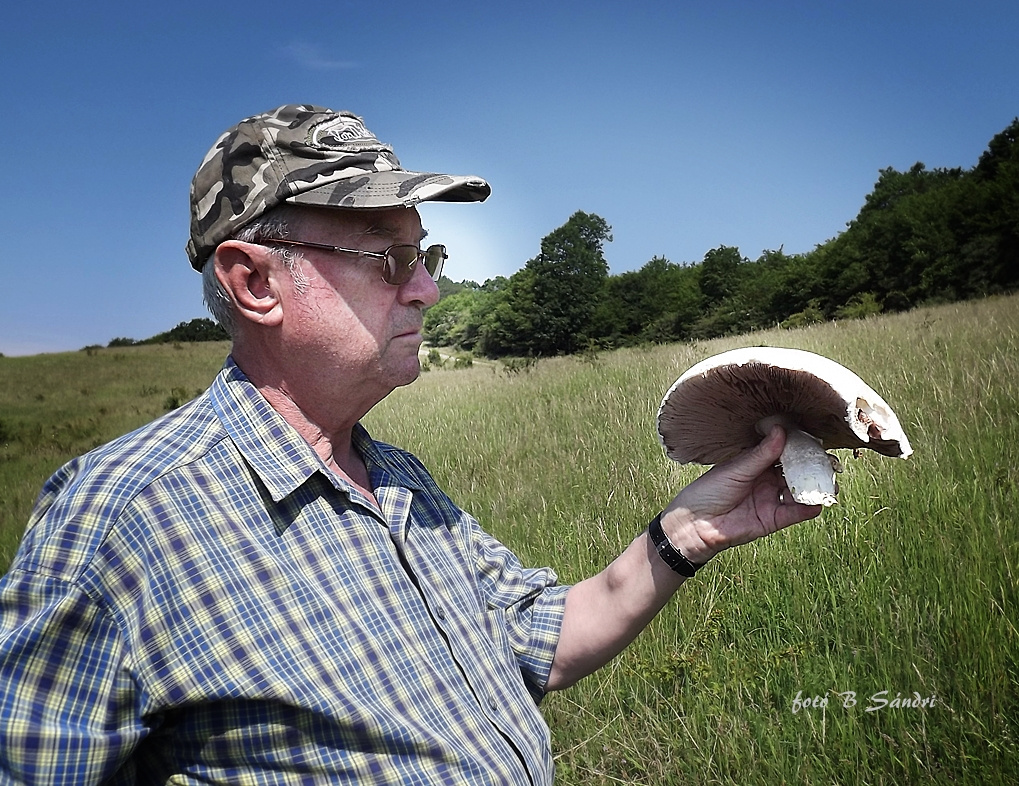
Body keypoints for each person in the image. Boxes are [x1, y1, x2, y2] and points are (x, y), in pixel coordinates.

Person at [0, 104, 821, 785]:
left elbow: (545, 642)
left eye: (423, 253)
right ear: (254, 282)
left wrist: (691, 532)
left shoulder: (399, 480)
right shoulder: (125, 517)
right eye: (389, 259)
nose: (428, 286)